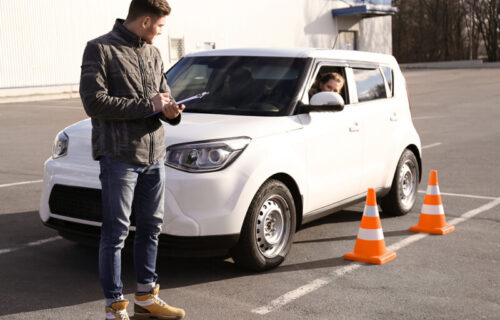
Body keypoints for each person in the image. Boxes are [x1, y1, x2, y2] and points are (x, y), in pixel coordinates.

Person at [79, 0, 185, 319]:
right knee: (116, 232)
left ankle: (146, 297)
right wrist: (146, 105)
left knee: (151, 227)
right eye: (160, 26)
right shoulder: (99, 49)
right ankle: (115, 306)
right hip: (119, 155)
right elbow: (94, 102)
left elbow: (162, 96)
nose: (160, 32)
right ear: (145, 21)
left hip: (155, 154)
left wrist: (171, 110)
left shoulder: (152, 53)